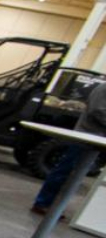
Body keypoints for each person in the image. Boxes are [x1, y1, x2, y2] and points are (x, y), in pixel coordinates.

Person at [31, 82, 106, 217]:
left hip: (98, 139)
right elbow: (98, 111)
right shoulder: (104, 88)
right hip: (87, 137)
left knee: (75, 175)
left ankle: (54, 206)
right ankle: (43, 203)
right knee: (66, 171)